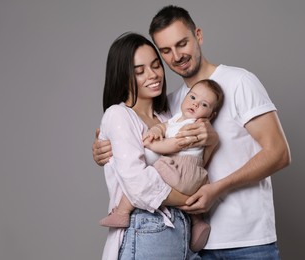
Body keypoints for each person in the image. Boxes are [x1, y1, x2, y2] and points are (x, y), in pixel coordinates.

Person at [93, 5, 291, 259]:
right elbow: (131, 144)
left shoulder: (239, 81)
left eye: (182, 43)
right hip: (192, 244)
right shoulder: (172, 106)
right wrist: (102, 146)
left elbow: (279, 153)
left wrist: (217, 189)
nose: (176, 55)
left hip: (246, 239)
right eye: (165, 50)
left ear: (198, 35)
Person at [98, 31, 201, 260]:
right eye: (139, 71)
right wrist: (191, 201)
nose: (153, 75)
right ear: (123, 77)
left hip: (182, 231)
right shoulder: (118, 115)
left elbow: (191, 162)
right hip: (149, 229)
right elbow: (139, 184)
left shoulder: (167, 117)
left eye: (156, 65)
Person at [99, 79, 224, 252]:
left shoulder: (195, 125)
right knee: (150, 177)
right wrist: (156, 131)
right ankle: (198, 222)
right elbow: (164, 126)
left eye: (203, 104)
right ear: (185, 97)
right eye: (193, 97)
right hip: (194, 178)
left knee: (151, 173)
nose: (195, 104)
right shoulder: (177, 118)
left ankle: (122, 212)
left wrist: (151, 145)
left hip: (182, 171)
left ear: (210, 114)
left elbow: (175, 145)